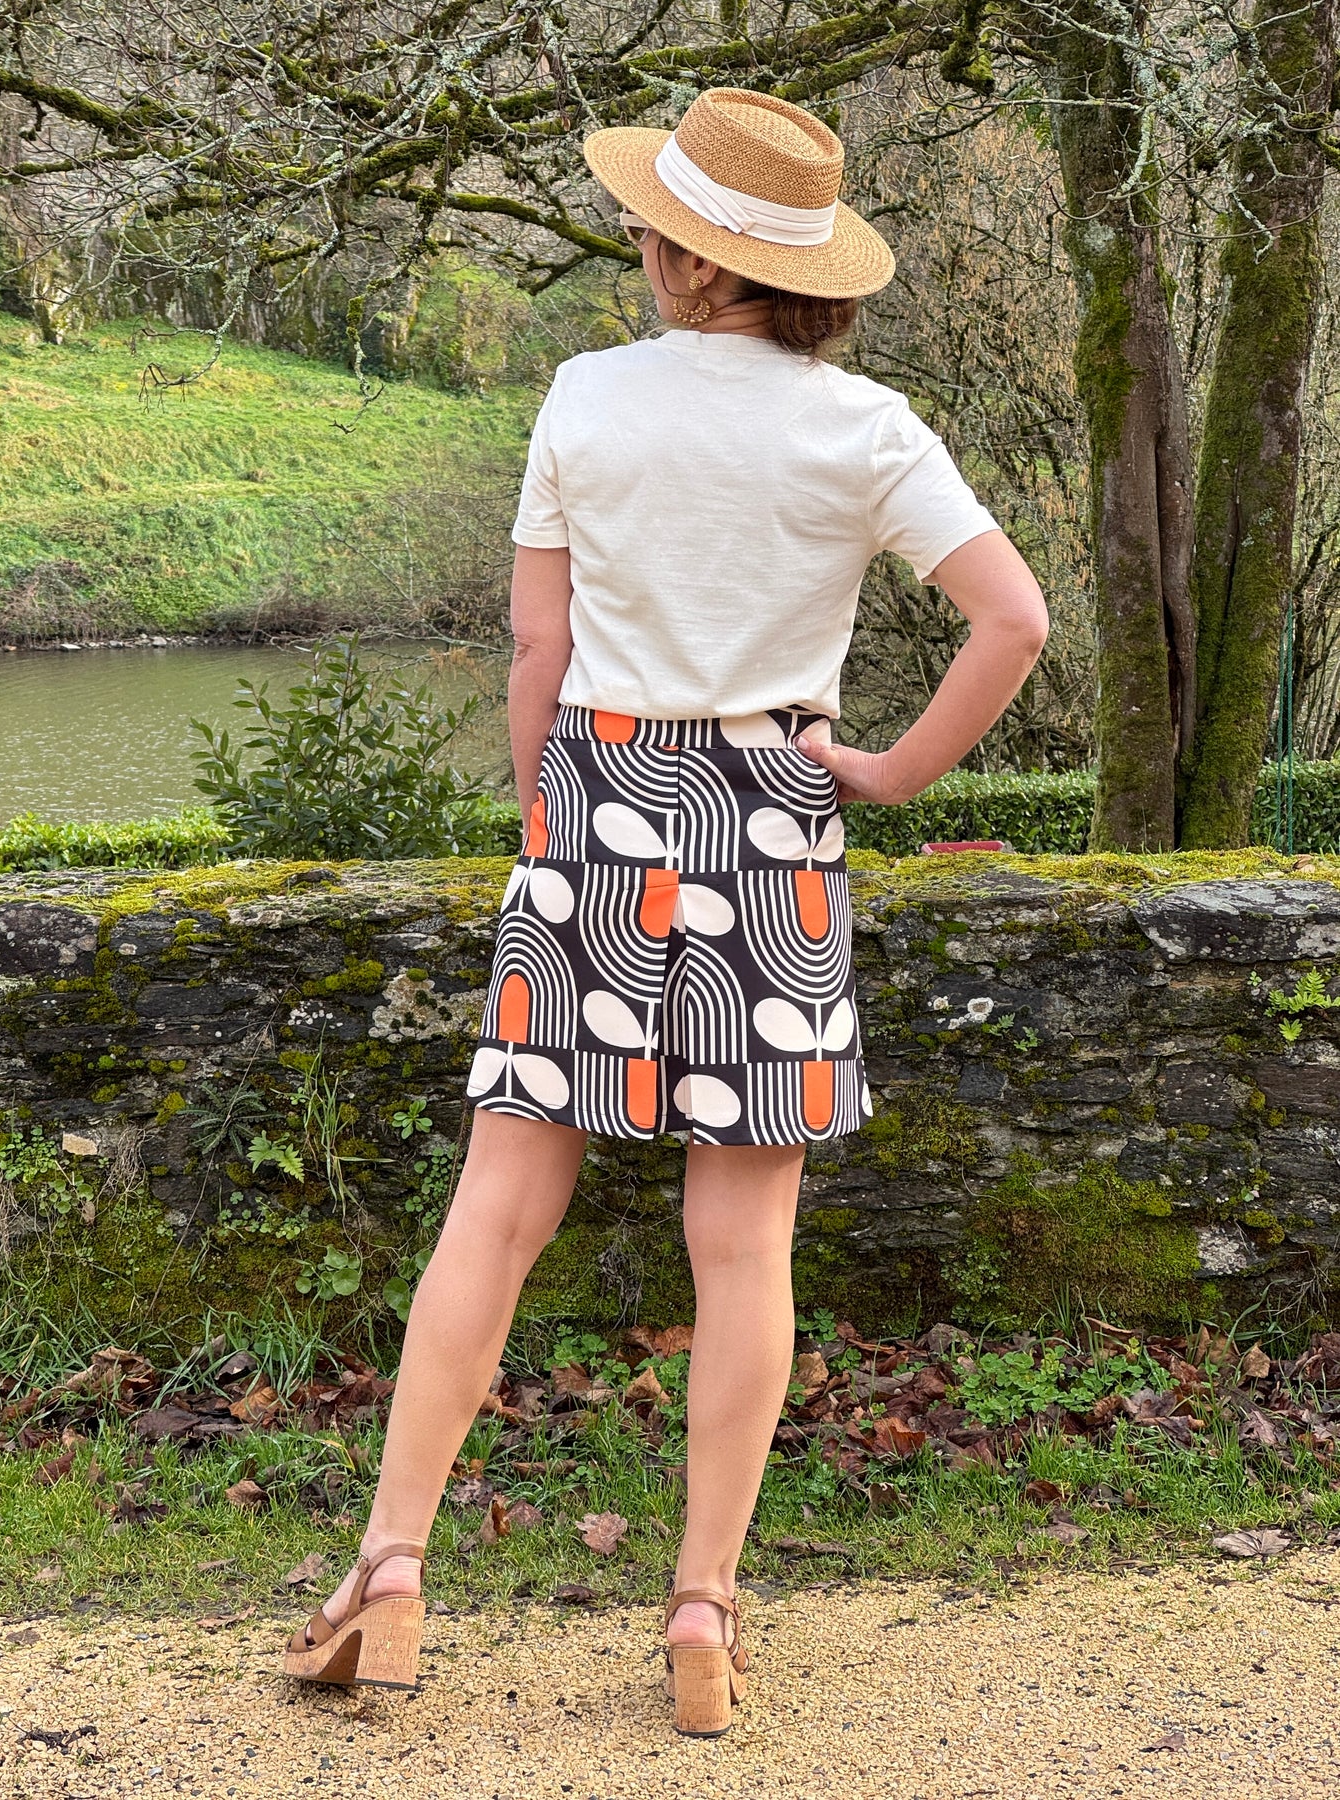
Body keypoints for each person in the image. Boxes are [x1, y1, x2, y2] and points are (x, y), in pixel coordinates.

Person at [285, 86, 1048, 1736]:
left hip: (598, 800)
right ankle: (701, 1606)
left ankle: (392, 1568)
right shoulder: (868, 428)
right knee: (743, 1238)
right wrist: (888, 773)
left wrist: (546, 826)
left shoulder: (586, 396)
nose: (639, 238)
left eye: (656, 223)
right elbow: (1012, 619)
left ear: (698, 260)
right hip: (773, 812)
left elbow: (538, 650)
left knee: (499, 1204)